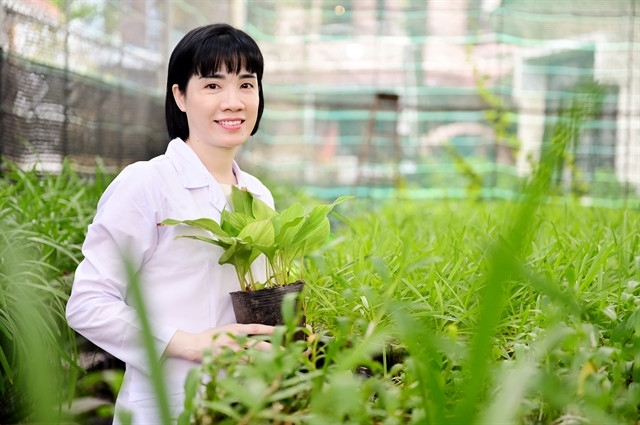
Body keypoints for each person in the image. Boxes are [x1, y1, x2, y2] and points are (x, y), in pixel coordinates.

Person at [66, 23, 275, 424]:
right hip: (165, 405)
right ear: (180, 96)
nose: (233, 102)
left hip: (248, 400)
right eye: (213, 86)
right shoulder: (147, 183)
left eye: (246, 85)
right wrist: (188, 343)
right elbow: (88, 304)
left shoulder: (258, 194)